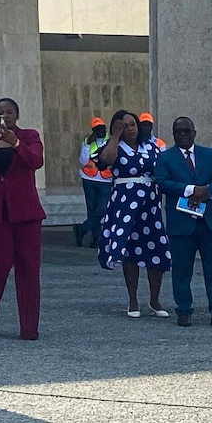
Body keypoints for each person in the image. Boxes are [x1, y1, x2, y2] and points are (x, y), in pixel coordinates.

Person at [0, 98, 45, 340]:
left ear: (17, 115)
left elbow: (35, 161)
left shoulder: (29, 136)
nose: (5, 116)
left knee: (28, 270)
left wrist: (14, 143)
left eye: (10, 112)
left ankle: (29, 327)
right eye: (0, 112)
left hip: (26, 214)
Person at [154, 117, 212, 328]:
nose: (183, 135)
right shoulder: (165, 158)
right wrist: (189, 190)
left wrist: (207, 193)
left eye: (187, 131)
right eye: (178, 132)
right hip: (181, 222)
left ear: (194, 133)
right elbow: (161, 182)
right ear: (173, 135)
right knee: (181, 269)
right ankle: (184, 311)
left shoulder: (210, 154)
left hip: (210, 221)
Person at [96, 110, 171, 317]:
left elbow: (163, 169)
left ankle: (155, 300)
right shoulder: (115, 147)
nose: (130, 129)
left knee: (155, 246)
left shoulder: (151, 147)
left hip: (150, 204)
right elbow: (106, 161)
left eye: (132, 124)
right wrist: (115, 136)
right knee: (130, 250)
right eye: (124, 125)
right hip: (125, 204)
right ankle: (133, 300)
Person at [75, 117, 112, 248]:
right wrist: (87, 145)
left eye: (102, 128)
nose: (100, 131)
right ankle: (96, 239)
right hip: (89, 179)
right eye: (97, 129)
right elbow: (83, 161)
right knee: (92, 210)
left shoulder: (111, 141)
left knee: (102, 209)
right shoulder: (88, 142)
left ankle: (82, 229)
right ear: (93, 131)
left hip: (106, 180)